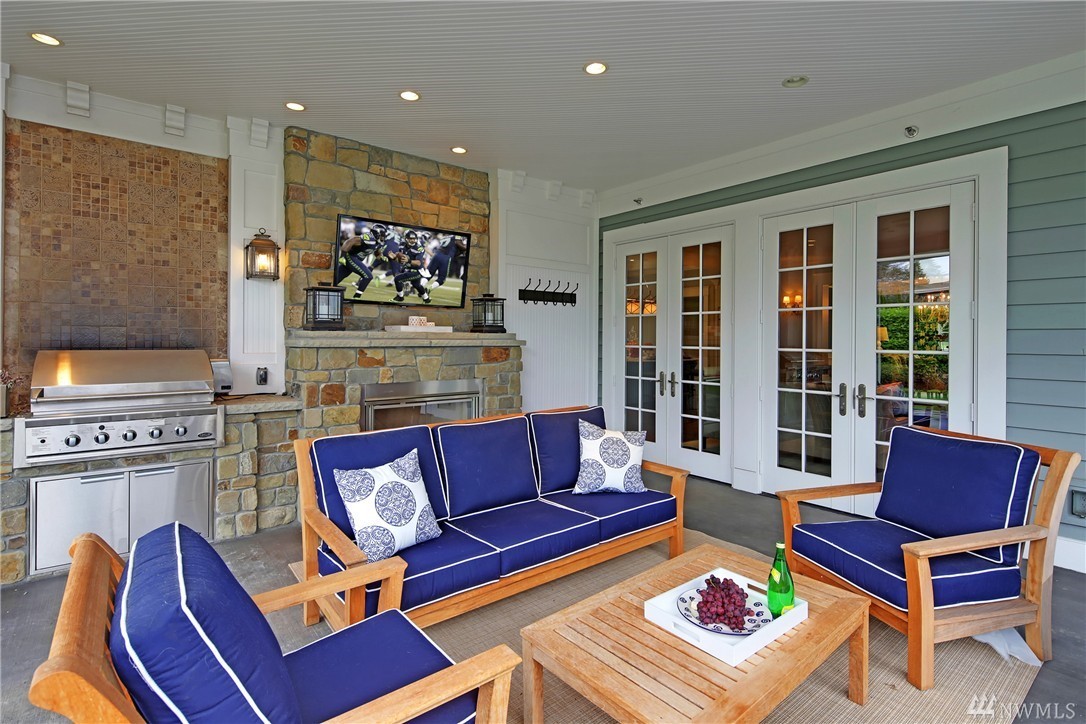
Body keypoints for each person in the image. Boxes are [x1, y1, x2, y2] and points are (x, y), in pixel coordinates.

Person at [338, 223, 382, 297]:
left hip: (356, 259)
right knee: (368, 276)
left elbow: (377, 252)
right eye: (382, 235)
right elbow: (350, 241)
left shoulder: (378, 243)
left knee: (336, 279)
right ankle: (356, 297)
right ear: (376, 234)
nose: (383, 237)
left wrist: (382, 257)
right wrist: (342, 256)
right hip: (351, 257)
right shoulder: (369, 238)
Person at [391, 230, 431, 303]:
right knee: (416, 285)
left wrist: (409, 261)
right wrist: (394, 257)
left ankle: (400, 297)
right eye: (410, 239)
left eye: (414, 239)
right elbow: (400, 259)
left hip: (417, 271)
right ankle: (426, 299)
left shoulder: (418, 248)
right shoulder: (402, 245)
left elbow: (418, 263)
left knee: (397, 279)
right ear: (406, 238)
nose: (412, 240)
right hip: (408, 268)